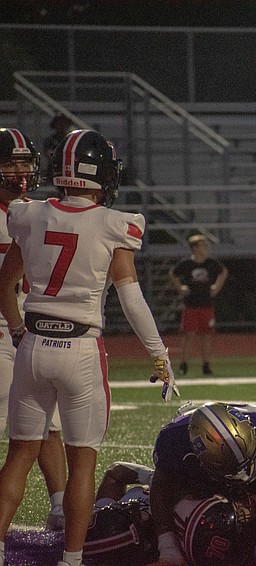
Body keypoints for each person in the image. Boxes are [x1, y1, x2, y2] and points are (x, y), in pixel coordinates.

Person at [0, 128, 175, 566]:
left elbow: (5, 284)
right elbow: (132, 301)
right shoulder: (114, 224)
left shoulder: (28, 214)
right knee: (83, 463)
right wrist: (160, 354)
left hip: (33, 343)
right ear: (101, 174)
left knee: (18, 456)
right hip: (79, 349)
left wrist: (19, 329)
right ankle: (72, 560)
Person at [0, 128, 68, 532]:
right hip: (3, 328)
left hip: (34, 326)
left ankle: (60, 504)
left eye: (24, 163)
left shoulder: (38, 212)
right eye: (10, 164)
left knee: (49, 421)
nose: (20, 171)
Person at [147, 402, 256, 566]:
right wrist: (168, 547)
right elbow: (161, 485)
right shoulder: (174, 443)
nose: (243, 475)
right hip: (205, 483)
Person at [168, 233, 228, 376]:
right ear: (194, 248)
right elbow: (173, 274)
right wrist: (180, 287)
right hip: (191, 304)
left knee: (206, 335)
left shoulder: (211, 263)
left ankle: (206, 365)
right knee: (189, 335)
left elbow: (223, 272)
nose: (206, 248)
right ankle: (184, 365)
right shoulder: (187, 264)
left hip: (206, 303)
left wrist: (216, 287)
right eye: (202, 245)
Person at [41, 114, 73, 182]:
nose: (61, 126)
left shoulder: (71, 140)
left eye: (64, 123)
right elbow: (49, 154)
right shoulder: (50, 140)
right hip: (53, 170)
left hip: (69, 169)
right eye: (59, 124)